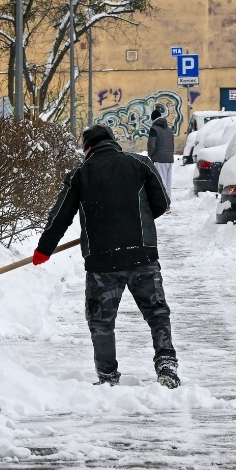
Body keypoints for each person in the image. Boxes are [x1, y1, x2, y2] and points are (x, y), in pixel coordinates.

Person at [33, 125, 180, 389]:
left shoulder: (80, 174)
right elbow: (162, 203)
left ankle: (108, 376)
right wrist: (136, 220)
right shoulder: (140, 163)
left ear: (87, 148)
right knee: (157, 312)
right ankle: (167, 365)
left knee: (101, 320)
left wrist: (44, 249)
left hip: (102, 260)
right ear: (113, 142)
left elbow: (60, 218)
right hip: (142, 255)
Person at [147, 105, 175, 198]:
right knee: (168, 182)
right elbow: (172, 143)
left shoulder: (154, 129)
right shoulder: (169, 129)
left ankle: (163, 203)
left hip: (159, 158)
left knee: (161, 182)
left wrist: (151, 156)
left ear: (153, 119)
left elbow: (151, 144)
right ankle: (168, 202)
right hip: (169, 158)